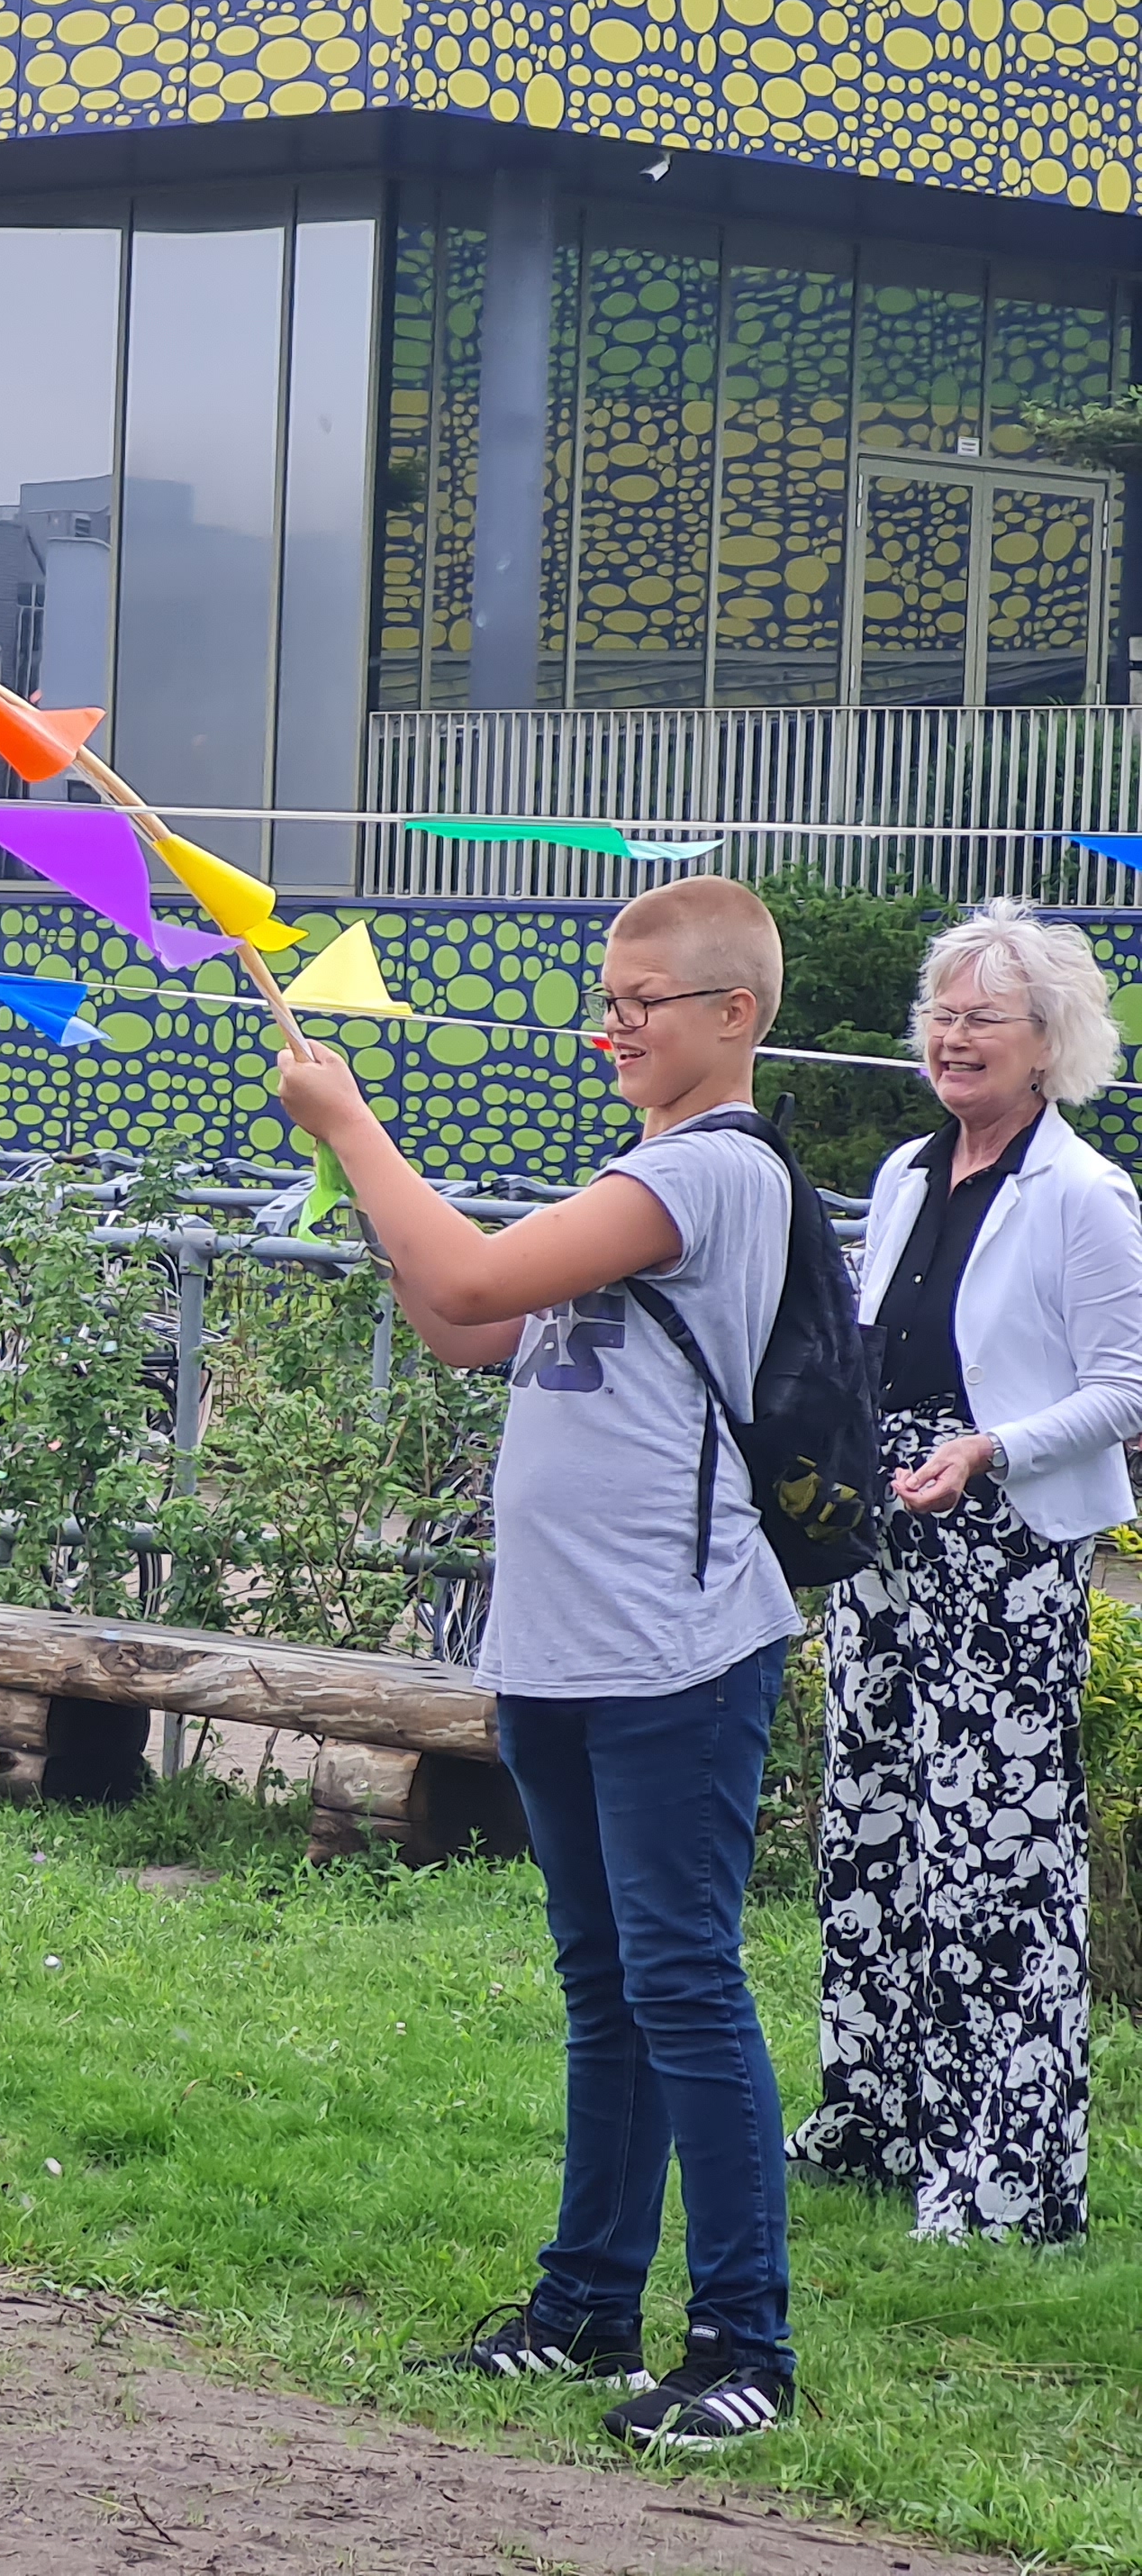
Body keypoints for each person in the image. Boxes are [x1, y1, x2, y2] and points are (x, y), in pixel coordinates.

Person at [276, 873, 800, 2450]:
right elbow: (465, 1329)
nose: (610, 1020)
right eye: (606, 992)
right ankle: (583, 2307)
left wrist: (352, 1126)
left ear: (733, 1014)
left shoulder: (717, 1170)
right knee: (607, 1986)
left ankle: (742, 2343)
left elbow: (471, 1277)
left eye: (643, 999)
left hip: (673, 1646)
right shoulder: (639, 1164)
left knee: (683, 1981)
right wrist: (356, 1172)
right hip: (569, 1643)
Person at [790, 900, 1142, 2244]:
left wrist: (993, 1447)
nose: (951, 1036)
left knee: (991, 1860)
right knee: (872, 1826)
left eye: (982, 1016)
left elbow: (1126, 1387)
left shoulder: (1089, 1197)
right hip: (889, 1542)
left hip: (1005, 1553)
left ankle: (1002, 2176)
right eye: (940, 1013)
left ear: (1049, 1045)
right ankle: (872, 2120)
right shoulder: (899, 1172)